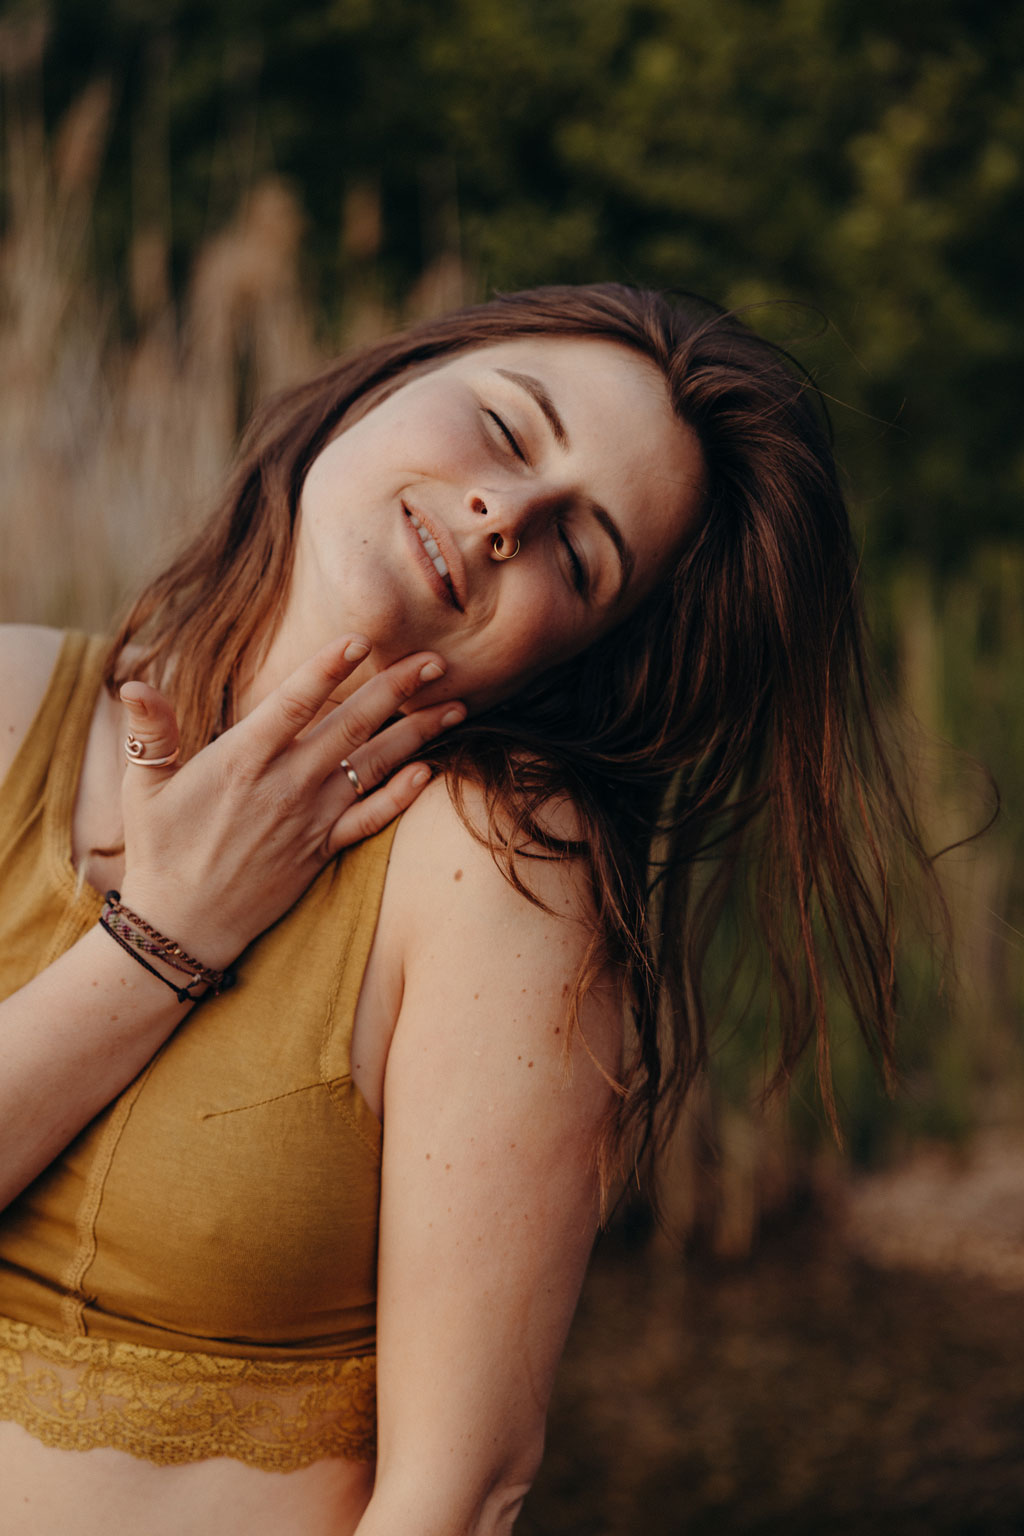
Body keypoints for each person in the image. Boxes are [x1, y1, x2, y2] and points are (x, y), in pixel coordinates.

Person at [0, 284, 939, 1535]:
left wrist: (173, 937)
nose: (504, 513)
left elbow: (458, 1494)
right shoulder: (11, 698)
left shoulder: (502, 877)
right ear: (388, 378)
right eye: (505, 427)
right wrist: (166, 934)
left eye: (576, 552)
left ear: (561, 660)